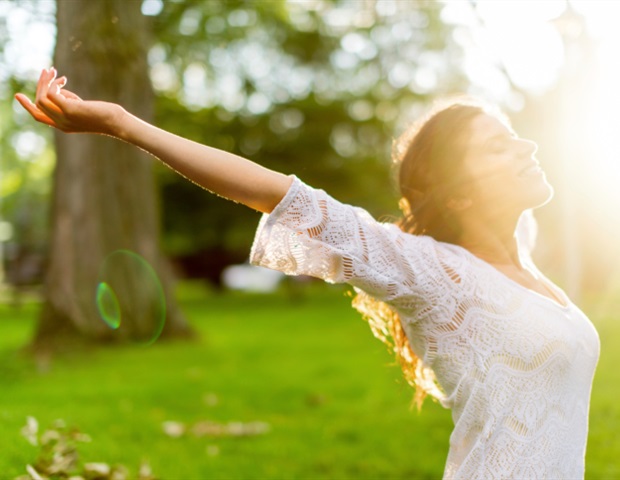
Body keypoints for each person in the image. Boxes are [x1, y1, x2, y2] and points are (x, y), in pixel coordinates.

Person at [16, 67, 599, 479]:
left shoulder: (521, 251)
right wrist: (122, 123)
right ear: (462, 197)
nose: (526, 147)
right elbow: (280, 194)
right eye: (498, 149)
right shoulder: (434, 274)